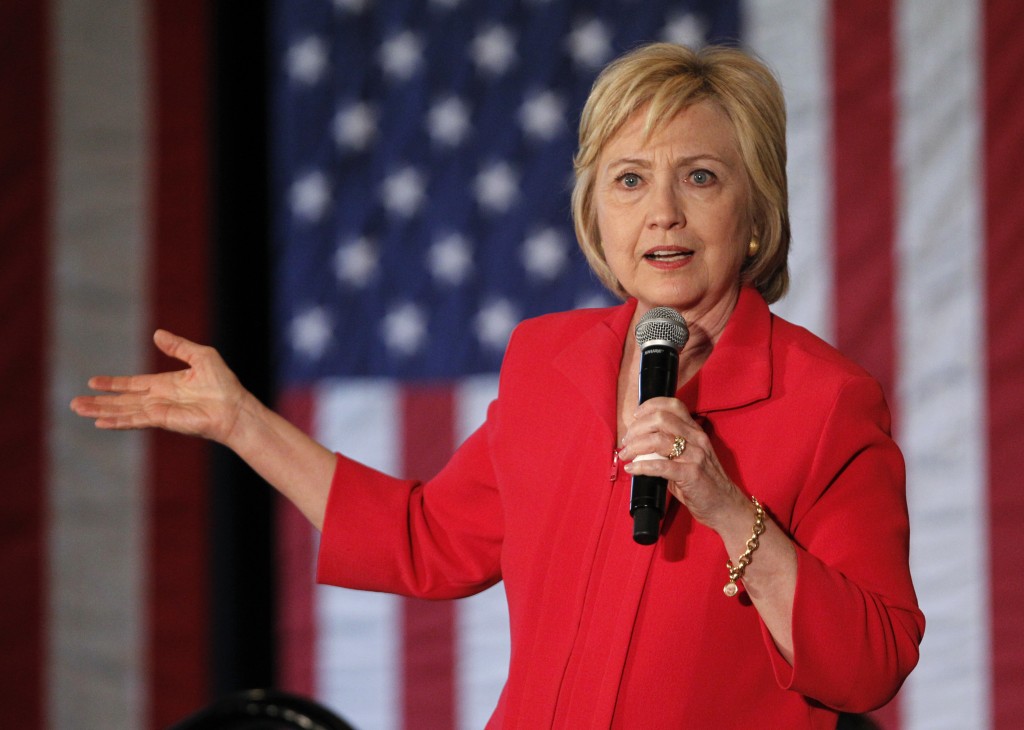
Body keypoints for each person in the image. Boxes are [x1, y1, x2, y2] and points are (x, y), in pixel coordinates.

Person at [71, 42, 924, 728]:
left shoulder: (824, 401)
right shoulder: (549, 366)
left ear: (754, 215)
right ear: (598, 213)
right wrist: (242, 423)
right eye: (629, 179)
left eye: (700, 176)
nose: (662, 210)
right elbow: (423, 540)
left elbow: (871, 664)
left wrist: (728, 508)